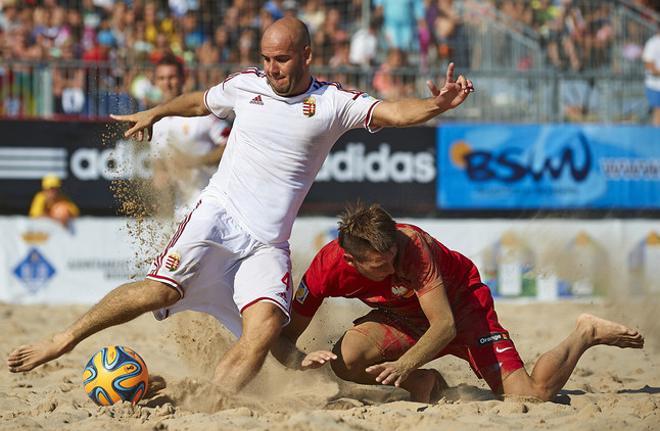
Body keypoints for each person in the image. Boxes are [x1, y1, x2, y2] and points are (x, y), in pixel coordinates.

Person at [7, 17, 474, 394]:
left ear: (307, 55)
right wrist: (157, 111)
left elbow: (395, 111)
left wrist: (437, 106)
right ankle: (62, 338)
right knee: (160, 291)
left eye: (283, 59)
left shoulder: (332, 102)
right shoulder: (245, 85)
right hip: (218, 215)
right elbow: (201, 102)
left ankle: (211, 402)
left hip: (268, 241)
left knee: (266, 327)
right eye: (267, 59)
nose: (272, 68)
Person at [272, 203, 645, 403]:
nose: (391, 268)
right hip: (403, 319)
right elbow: (284, 338)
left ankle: (586, 331)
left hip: (463, 311)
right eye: (379, 266)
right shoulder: (326, 269)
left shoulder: (411, 245)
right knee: (346, 360)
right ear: (351, 260)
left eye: (392, 258)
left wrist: (404, 363)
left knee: (533, 396)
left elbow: (445, 326)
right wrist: (298, 358)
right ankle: (426, 386)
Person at [149, 54, 231, 219]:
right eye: (162, 78)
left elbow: (231, 144)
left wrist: (197, 161)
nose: (167, 83)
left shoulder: (202, 114)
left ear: (183, 79)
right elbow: (159, 161)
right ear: (156, 82)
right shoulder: (155, 122)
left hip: (211, 203)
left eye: (172, 77)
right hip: (181, 208)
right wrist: (159, 177)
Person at [642, 26, 660, 126]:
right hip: (655, 86)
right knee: (658, 113)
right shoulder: (652, 43)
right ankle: (656, 139)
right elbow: (649, 66)